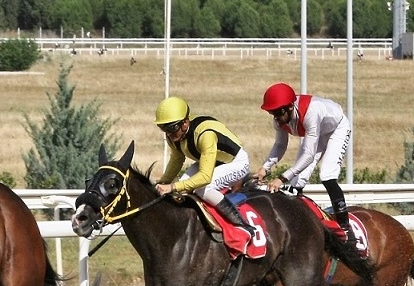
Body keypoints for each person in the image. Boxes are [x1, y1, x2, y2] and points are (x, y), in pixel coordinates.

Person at [255, 82, 359, 249]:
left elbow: (309, 156)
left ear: (289, 107)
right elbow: (280, 146)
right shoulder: (280, 118)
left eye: (278, 113)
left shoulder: (311, 113)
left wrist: (281, 178)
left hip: (336, 129)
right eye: (271, 113)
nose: (276, 118)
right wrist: (264, 168)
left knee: (327, 175)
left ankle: (347, 230)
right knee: (297, 183)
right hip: (316, 133)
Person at [153, 96, 253, 234]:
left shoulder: (205, 134)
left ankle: (241, 225)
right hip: (215, 161)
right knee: (181, 189)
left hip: (236, 163)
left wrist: (171, 186)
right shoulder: (175, 136)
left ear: (185, 123)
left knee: (203, 189)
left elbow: (205, 177)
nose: (169, 134)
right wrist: (162, 183)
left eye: (172, 128)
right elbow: (176, 160)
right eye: (164, 129)